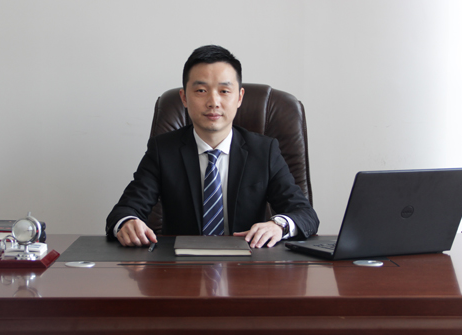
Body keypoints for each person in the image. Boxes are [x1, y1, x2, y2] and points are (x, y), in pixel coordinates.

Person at [106, 45, 319, 248]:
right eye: (201, 90)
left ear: (239, 97)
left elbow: (305, 214)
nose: (213, 102)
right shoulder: (163, 151)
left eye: (224, 91)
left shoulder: (264, 151)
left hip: (248, 264)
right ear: (184, 98)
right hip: (180, 266)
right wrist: (127, 222)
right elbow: (124, 211)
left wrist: (278, 225)